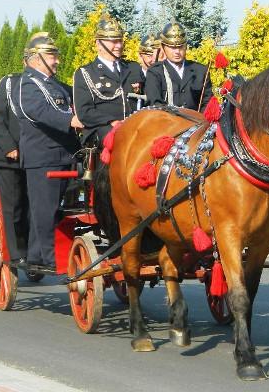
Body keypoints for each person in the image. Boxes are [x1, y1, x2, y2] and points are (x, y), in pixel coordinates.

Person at [15, 32, 83, 273]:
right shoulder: (26, 84)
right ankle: (46, 256)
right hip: (43, 157)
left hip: (66, 154)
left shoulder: (54, 84)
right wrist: (71, 120)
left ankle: (38, 254)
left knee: (63, 209)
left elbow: (76, 99)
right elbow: (40, 111)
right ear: (37, 58)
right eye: (52, 56)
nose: (57, 61)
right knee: (45, 209)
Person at [72, 14, 143, 147]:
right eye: (113, 41)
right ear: (98, 44)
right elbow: (84, 112)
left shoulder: (133, 68)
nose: (118, 45)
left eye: (120, 40)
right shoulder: (85, 73)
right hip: (103, 131)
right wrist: (112, 122)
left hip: (135, 128)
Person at [0, 62, 30, 267]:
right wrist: (9, 147)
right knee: (14, 207)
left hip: (36, 158)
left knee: (34, 207)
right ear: (27, 62)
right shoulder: (9, 83)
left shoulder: (48, 86)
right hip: (10, 158)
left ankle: (33, 249)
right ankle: (16, 253)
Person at [144, 22, 213, 112]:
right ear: (163, 47)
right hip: (166, 119)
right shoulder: (155, 72)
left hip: (196, 120)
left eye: (180, 47)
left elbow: (207, 103)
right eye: (172, 47)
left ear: (186, 46)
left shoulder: (201, 71)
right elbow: (155, 103)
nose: (177, 52)